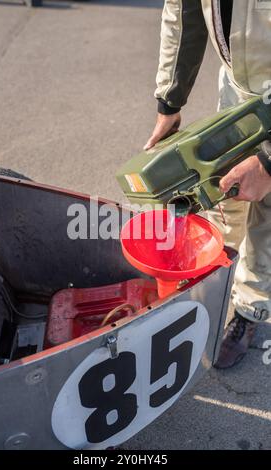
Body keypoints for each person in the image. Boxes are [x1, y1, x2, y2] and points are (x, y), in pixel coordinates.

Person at [146, 0, 271, 369]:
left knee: (266, 215)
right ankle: (212, 283)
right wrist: (170, 101)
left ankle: (250, 310)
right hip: (239, 85)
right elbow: (183, 12)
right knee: (223, 192)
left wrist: (267, 161)